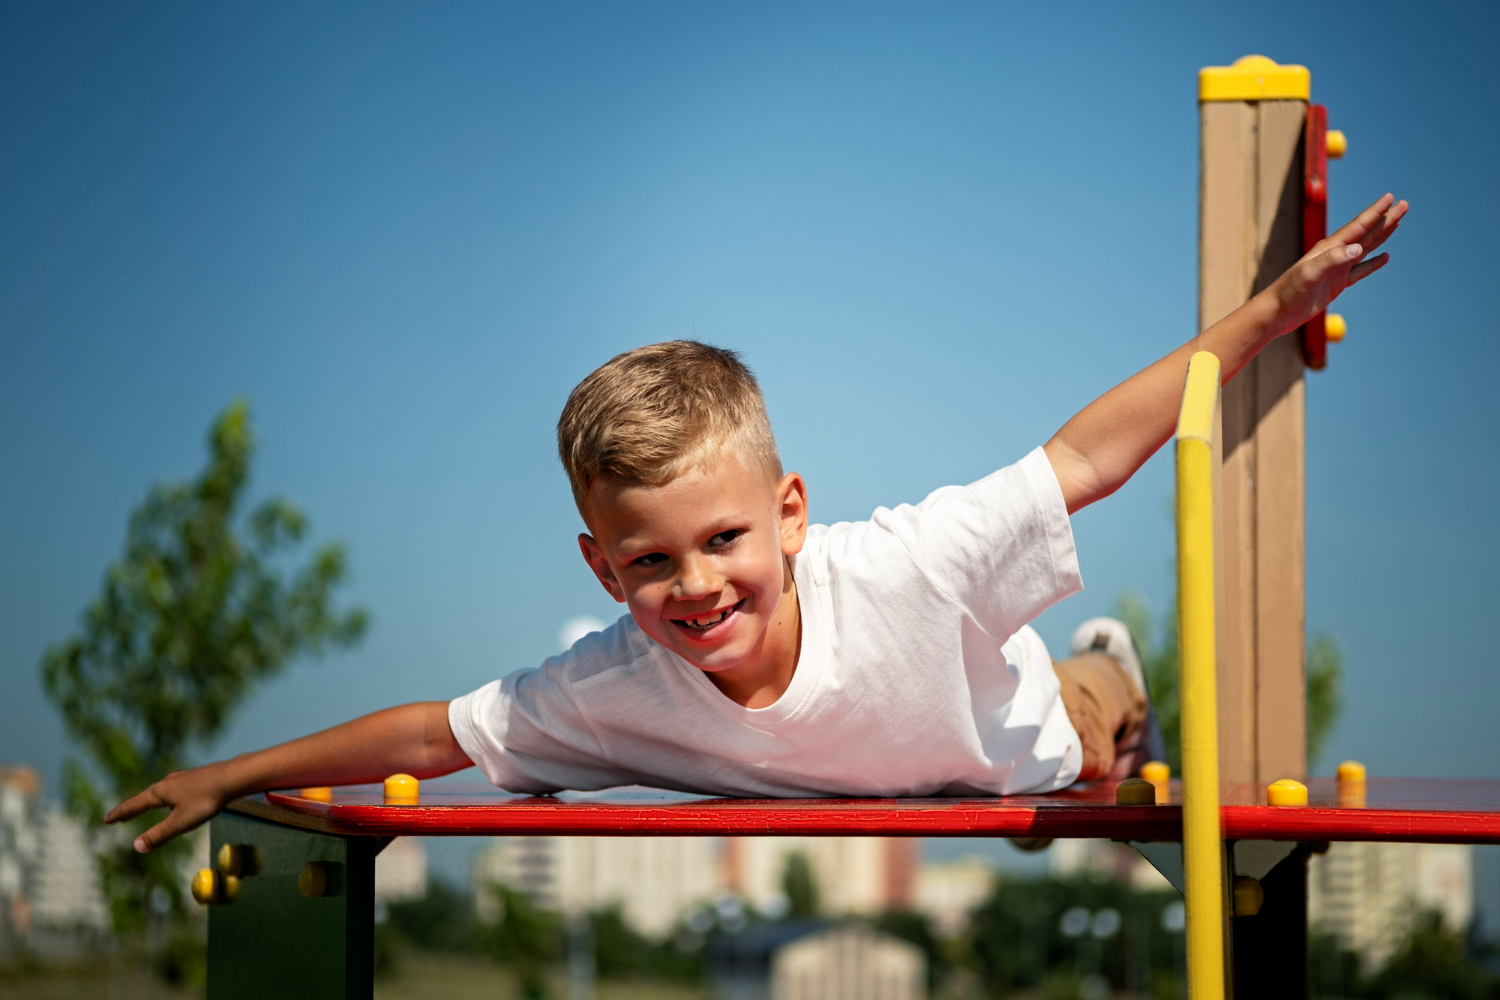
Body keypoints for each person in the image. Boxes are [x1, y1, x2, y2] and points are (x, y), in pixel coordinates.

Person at [108, 194, 1407, 853]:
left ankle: (1113, 672)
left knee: (1087, 721)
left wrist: (1274, 306)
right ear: (600, 567)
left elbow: (1086, 456)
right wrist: (226, 775)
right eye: (650, 562)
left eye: (725, 541)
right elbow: (433, 732)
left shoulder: (908, 564)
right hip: (897, 753)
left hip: (1007, 735)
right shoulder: (605, 680)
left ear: (791, 515)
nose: (695, 587)